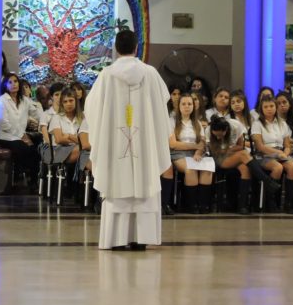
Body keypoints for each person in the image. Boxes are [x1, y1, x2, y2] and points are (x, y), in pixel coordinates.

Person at [85, 30, 172, 251]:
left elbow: (91, 107)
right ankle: (140, 239)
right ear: (136, 48)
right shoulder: (150, 73)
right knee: (144, 181)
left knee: (117, 181)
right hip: (143, 142)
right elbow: (163, 103)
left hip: (116, 142)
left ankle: (116, 239)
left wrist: (104, 131)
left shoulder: (106, 74)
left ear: (116, 49)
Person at [169, 93, 212, 214]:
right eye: (184, 104)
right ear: (178, 106)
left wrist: (198, 152)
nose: (187, 106)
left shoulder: (197, 123)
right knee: (191, 169)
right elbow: (173, 144)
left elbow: (202, 142)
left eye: (189, 104)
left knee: (207, 169)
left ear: (193, 106)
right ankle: (191, 205)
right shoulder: (172, 121)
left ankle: (203, 205)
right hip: (178, 153)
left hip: (196, 153)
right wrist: (194, 146)